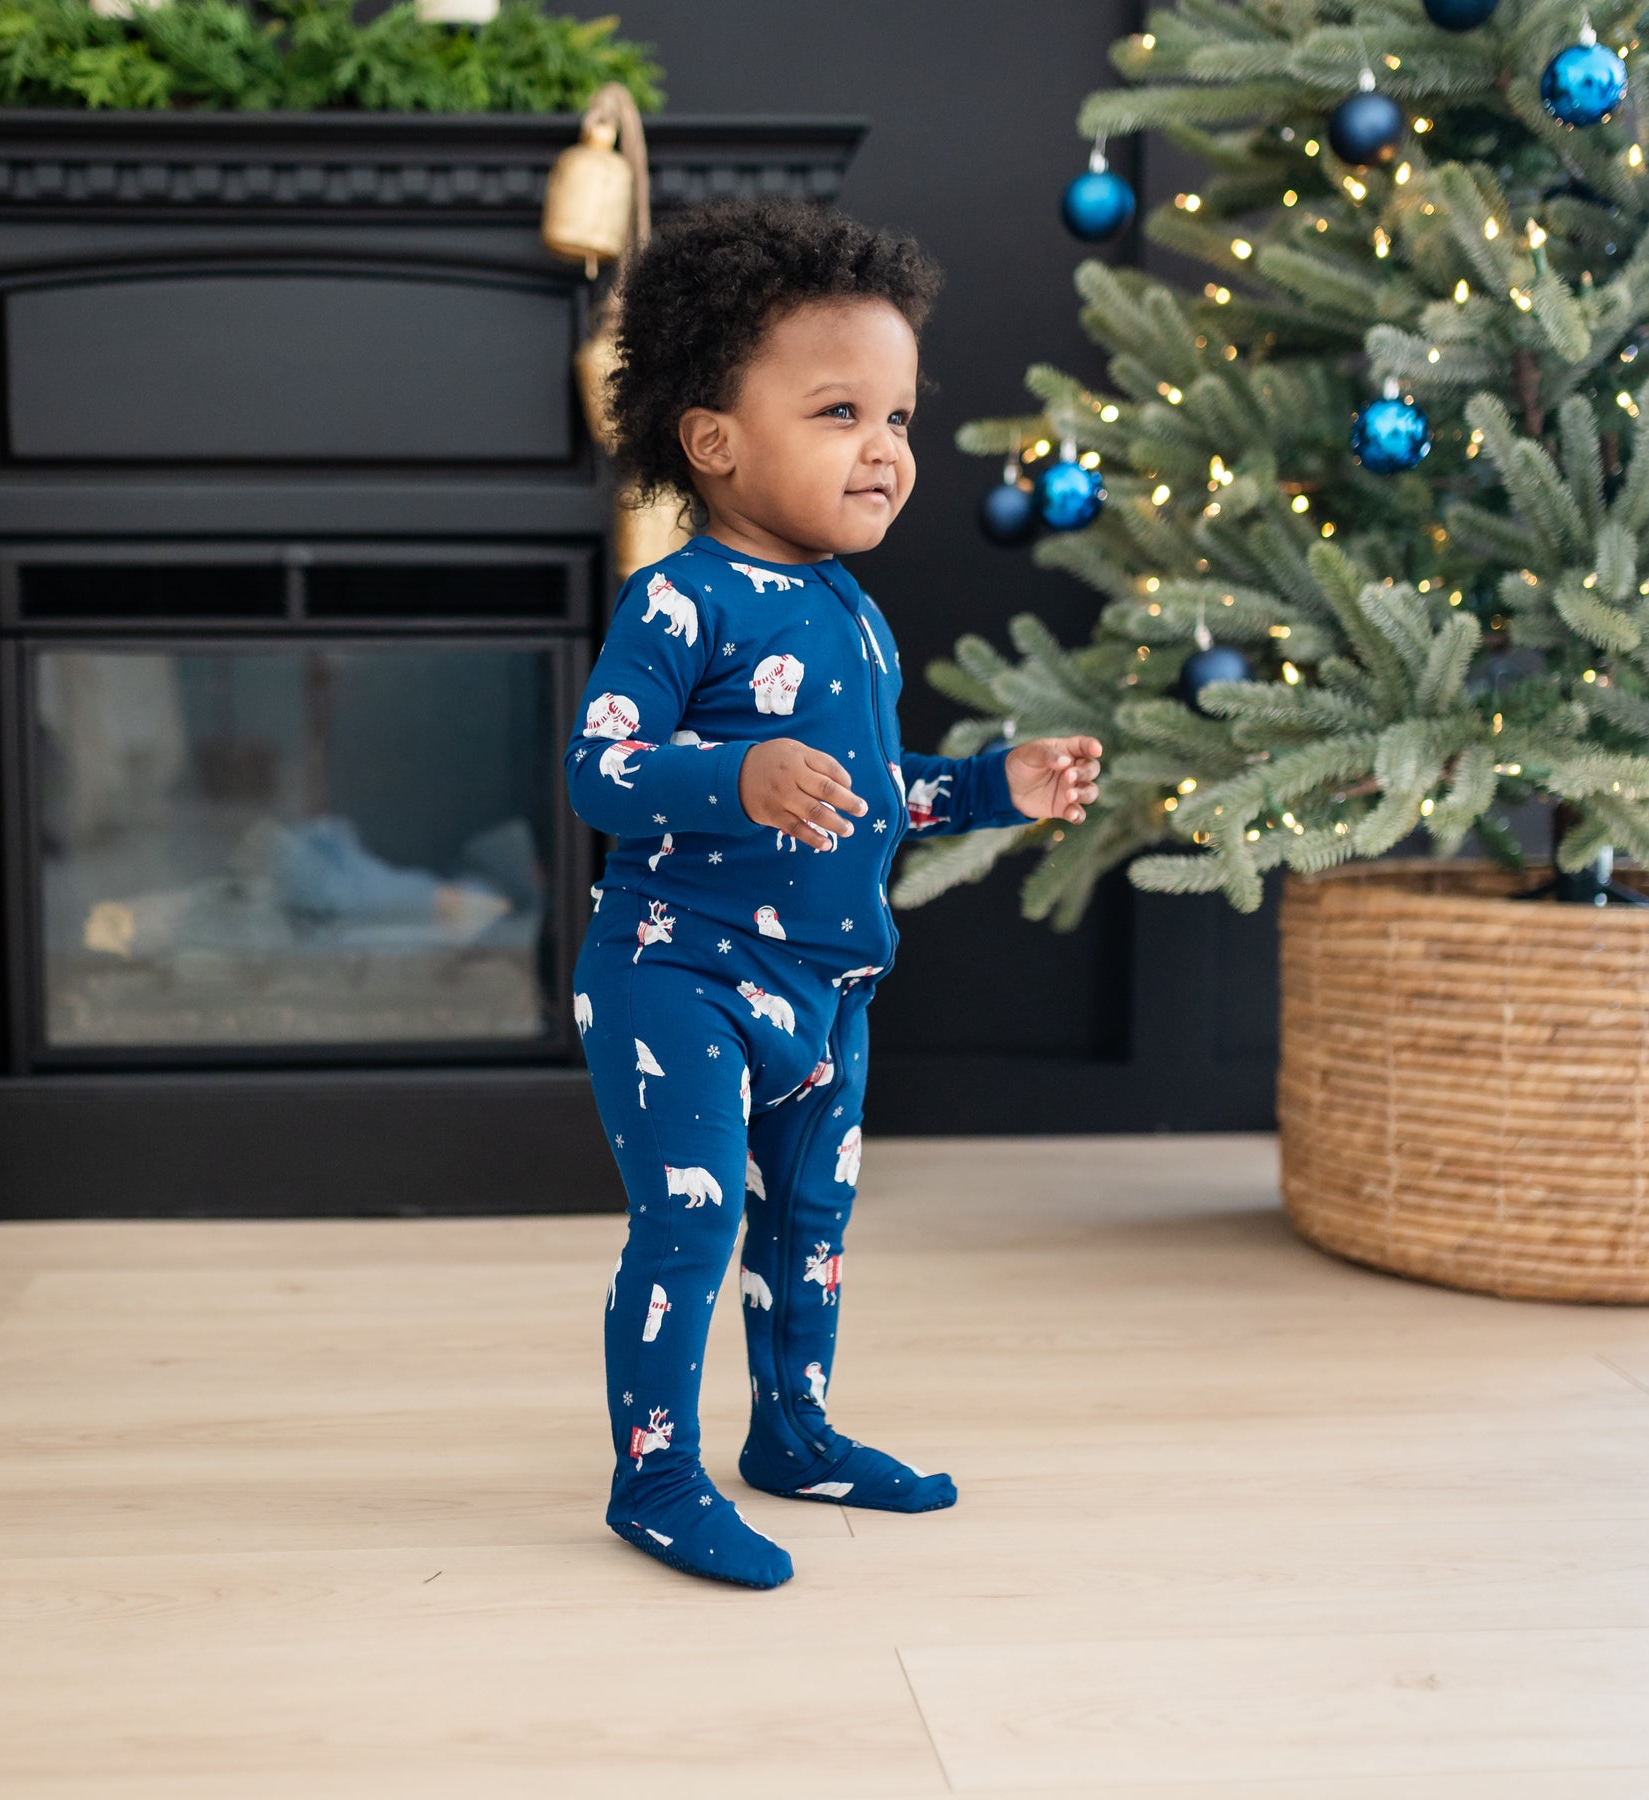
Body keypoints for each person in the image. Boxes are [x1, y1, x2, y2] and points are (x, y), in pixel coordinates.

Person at [565, 199, 1102, 1589]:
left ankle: (792, 1432)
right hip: (678, 977)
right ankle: (655, 1477)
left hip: (828, 987)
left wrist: (993, 787)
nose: (885, 448)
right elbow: (601, 769)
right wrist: (737, 776)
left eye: (901, 417)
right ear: (714, 441)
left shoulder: (853, 613)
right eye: (841, 413)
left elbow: (865, 792)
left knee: (810, 1225)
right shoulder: (680, 603)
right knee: (693, 1221)